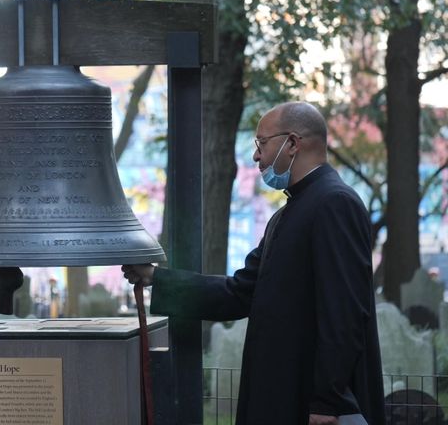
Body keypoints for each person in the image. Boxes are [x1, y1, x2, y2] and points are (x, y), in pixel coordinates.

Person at [123, 102, 384, 425]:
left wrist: (327, 402)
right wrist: (155, 278)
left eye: (261, 143)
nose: (256, 156)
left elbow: (343, 313)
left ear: (291, 143)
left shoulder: (334, 203)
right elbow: (240, 292)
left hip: (312, 404)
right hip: (283, 394)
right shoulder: (288, 214)